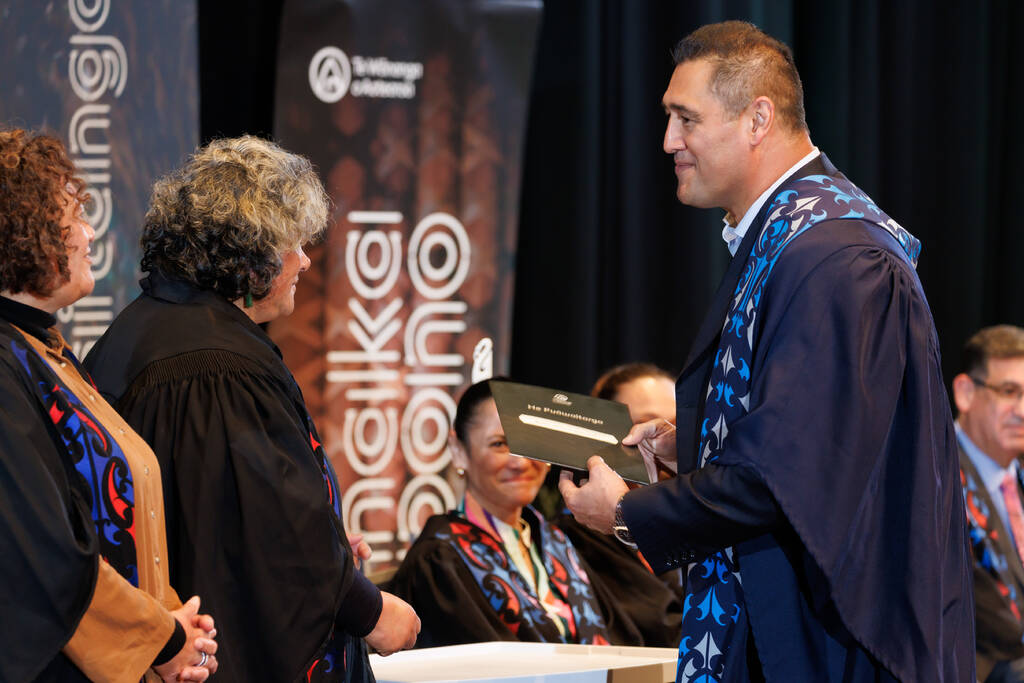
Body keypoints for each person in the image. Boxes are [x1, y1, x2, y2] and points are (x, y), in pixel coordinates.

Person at [558, 21, 973, 682]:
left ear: (757, 119)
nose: (668, 141)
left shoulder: (838, 258)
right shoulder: (796, 235)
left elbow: (784, 477)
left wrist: (628, 514)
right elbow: (810, 435)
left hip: (831, 647)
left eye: (685, 119)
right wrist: (691, 443)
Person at [83, 136, 419, 682]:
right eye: (293, 244)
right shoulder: (219, 366)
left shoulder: (144, 328)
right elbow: (274, 533)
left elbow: (224, 509)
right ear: (252, 253)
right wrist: (373, 611)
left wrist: (330, 538)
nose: (305, 261)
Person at [0, 128, 217, 682]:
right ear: (22, 233)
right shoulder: (6, 365)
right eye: (72, 216)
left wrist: (172, 624)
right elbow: (47, 552)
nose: (89, 233)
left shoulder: (42, 350)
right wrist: (164, 639)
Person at [386, 379, 611, 647]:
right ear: (459, 451)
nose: (520, 462)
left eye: (532, 443)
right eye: (499, 444)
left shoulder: (557, 542)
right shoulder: (439, 559)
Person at [555, 363, 683, 647]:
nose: (663, 440)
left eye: (674, 426)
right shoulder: (573, 541)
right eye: (646, 425)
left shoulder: (701, 516)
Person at [953, 325, 1024, 682]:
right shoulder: (936, 478)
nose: (1023, 411)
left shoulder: (1018, 473)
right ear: (965, 393)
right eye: (1009, 392)